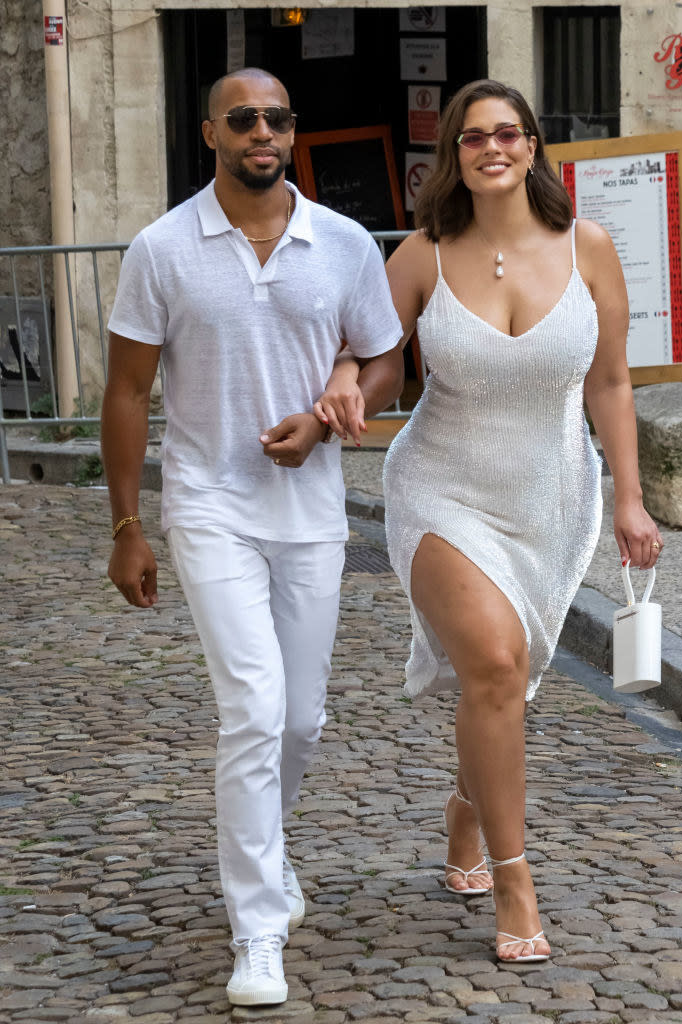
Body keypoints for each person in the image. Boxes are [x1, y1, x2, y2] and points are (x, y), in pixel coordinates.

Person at [315, 79, 663, 963]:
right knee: (497, 665)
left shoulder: (588, 247)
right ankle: (516, 878)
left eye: (509, 133)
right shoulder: (423, 256)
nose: (493, 147)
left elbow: (612, 383)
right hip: (440, 491)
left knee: (503, 680)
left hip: (551, 498)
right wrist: (349, 384)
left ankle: (468, 808)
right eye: (474, 137)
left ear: (535, 146)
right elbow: (376, 357)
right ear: (454, 156)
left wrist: (629, 493)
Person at [101, 67, 403, 1006]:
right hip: (209, 506)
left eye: (276, 118)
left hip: (312, 511)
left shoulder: (345, 242)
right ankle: (257, 927)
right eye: (244, 119)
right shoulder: (162, 248)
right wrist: (125, 527)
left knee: (303, 717)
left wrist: (336, 407)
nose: (262, 132)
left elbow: (383, 355)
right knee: (254, 709)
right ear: (211, 134)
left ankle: (263, 859)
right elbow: (125, 391)